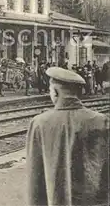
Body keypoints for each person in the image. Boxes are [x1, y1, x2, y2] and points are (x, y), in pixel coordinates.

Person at [26, 67, 109, 206]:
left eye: (50, 90)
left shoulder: (40, 123)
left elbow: (35, 177)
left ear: (56, 92)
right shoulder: (101, 121)